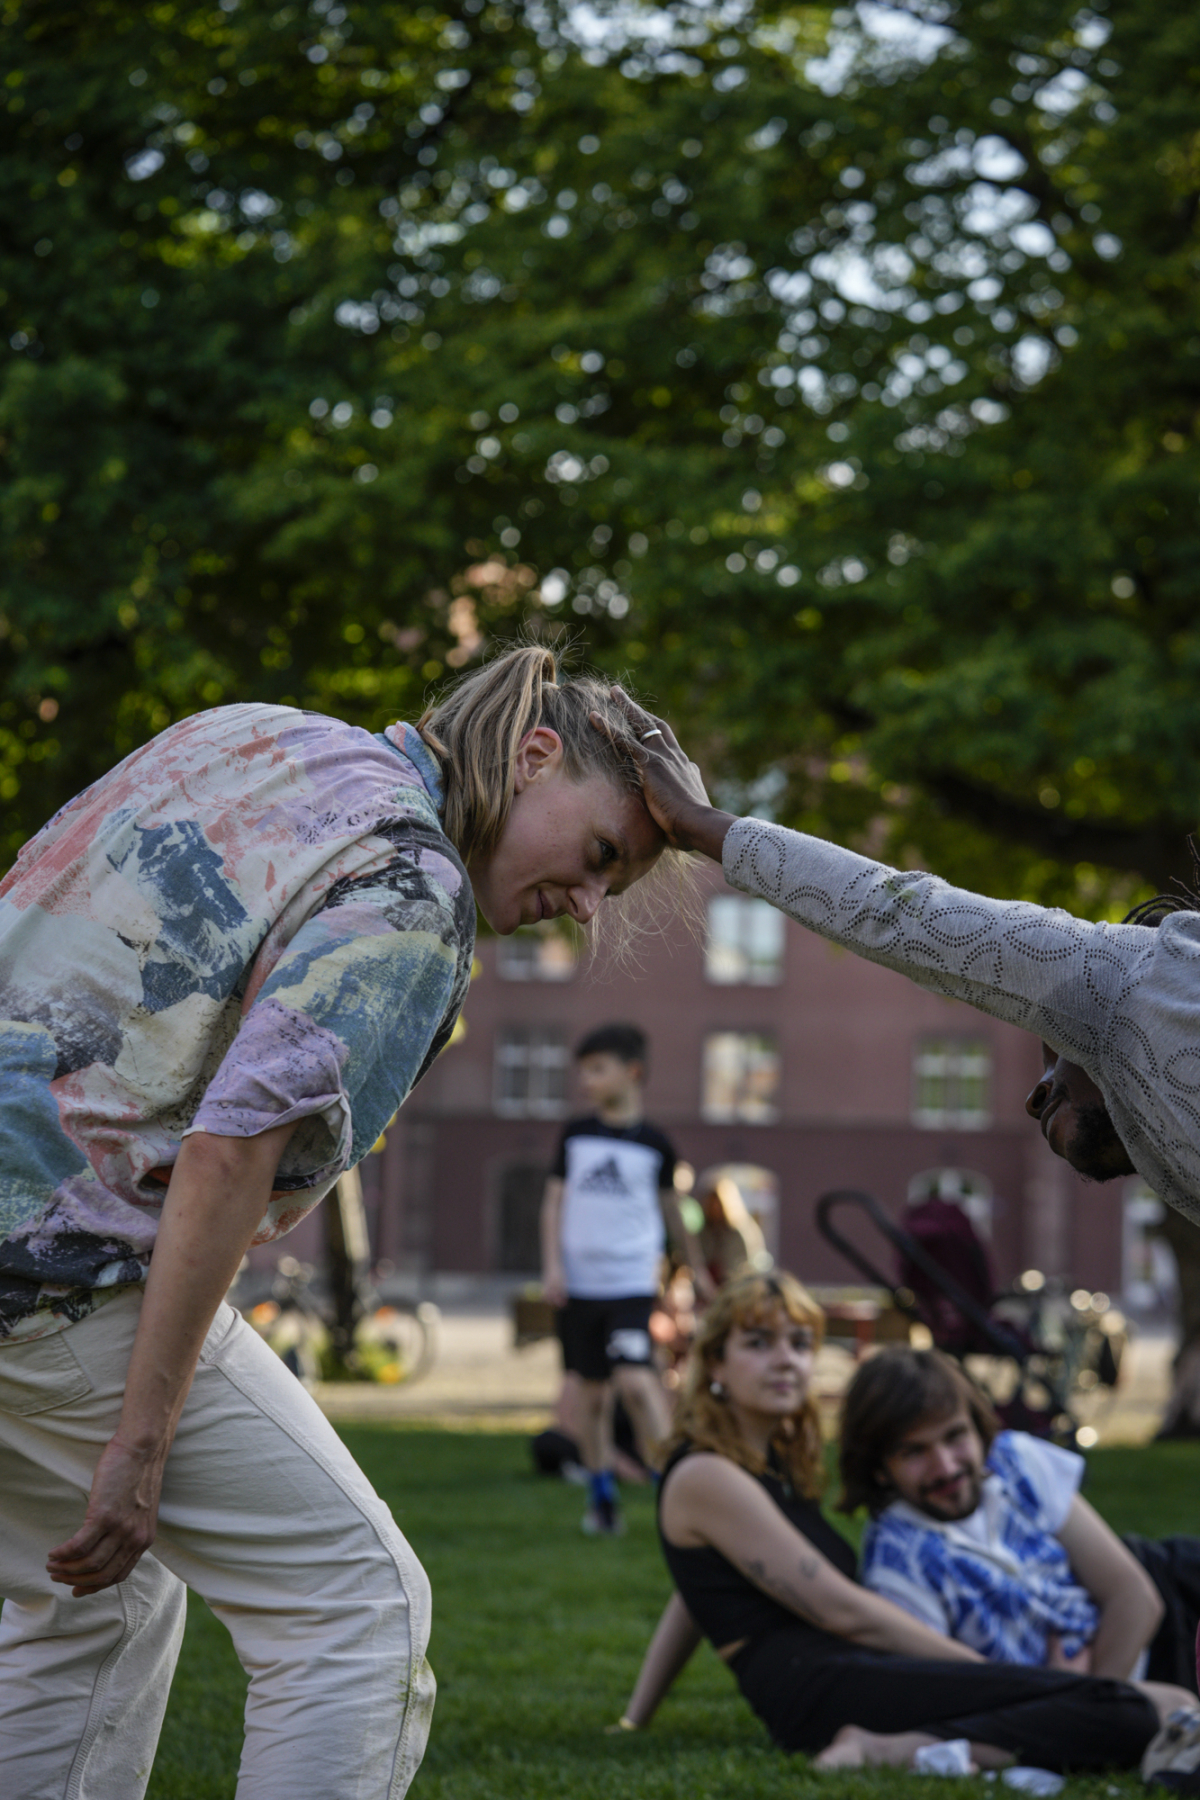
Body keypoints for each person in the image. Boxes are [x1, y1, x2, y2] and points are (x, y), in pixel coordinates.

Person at [0, 645, 668, 1800]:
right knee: (356, 1612)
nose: (587, 905)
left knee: (96, 1598)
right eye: (601, 853)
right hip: (61, 1271)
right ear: (533, 755)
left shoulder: (256, 733)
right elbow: (229, 1151)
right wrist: (140, 1445)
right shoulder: (415, 886)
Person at [607, 690, 1200, 1227]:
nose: (1034, 1096)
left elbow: (904, 915)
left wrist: (704, 825)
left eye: (1051, 1038)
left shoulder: (1136, 980)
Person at [614, 1269, 1197, 1771]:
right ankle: (882, 1751)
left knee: (1161, 1702)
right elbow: (844, 1610)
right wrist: (1001, 1677)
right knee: (1146, 1708)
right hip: (819, 1686)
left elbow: (692, 1593)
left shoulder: (761, 1470)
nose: (786, 1360)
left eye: (799, 1343)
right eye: (760, 1343)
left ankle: (904, 1746)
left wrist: (637, 1716)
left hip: (849, 1671)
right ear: (715, 1361)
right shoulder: (705, 1475)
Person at [844, 1346, 1200, 1691]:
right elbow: (956, 1693)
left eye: (955, 1436)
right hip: (1141, 1681)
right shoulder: (898, 1561)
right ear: (879, 1469)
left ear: (977, 1427)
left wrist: (1093, 1697)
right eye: (914, 1451)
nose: (946, 1467)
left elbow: (1135, 1597)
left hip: (1165, 1601)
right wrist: (1094, 1711)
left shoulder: (1014, 1461)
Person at [541, 1023, 711, 1536]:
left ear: (632, 1073)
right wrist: (551, 1265)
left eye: (597, 1069)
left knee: (637, 1381)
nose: (586, 1081)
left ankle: (674, 1497)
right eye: (583, 1071)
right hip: (579, 1285)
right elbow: (553, 1204)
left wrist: (696, 1267)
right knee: (591, 1397)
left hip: (634, 1282)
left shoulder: (657, 1144)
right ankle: (602, 1497)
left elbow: (673, 1212)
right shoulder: (575, 1135)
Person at [695, 1168, 769, 1287]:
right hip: (710, 1285)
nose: (715, 1208)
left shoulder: (741, 1230)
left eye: (718, 1203)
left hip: (736, 1284)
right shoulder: (705, 1231)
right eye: (712, 1203)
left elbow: (747, 1261)